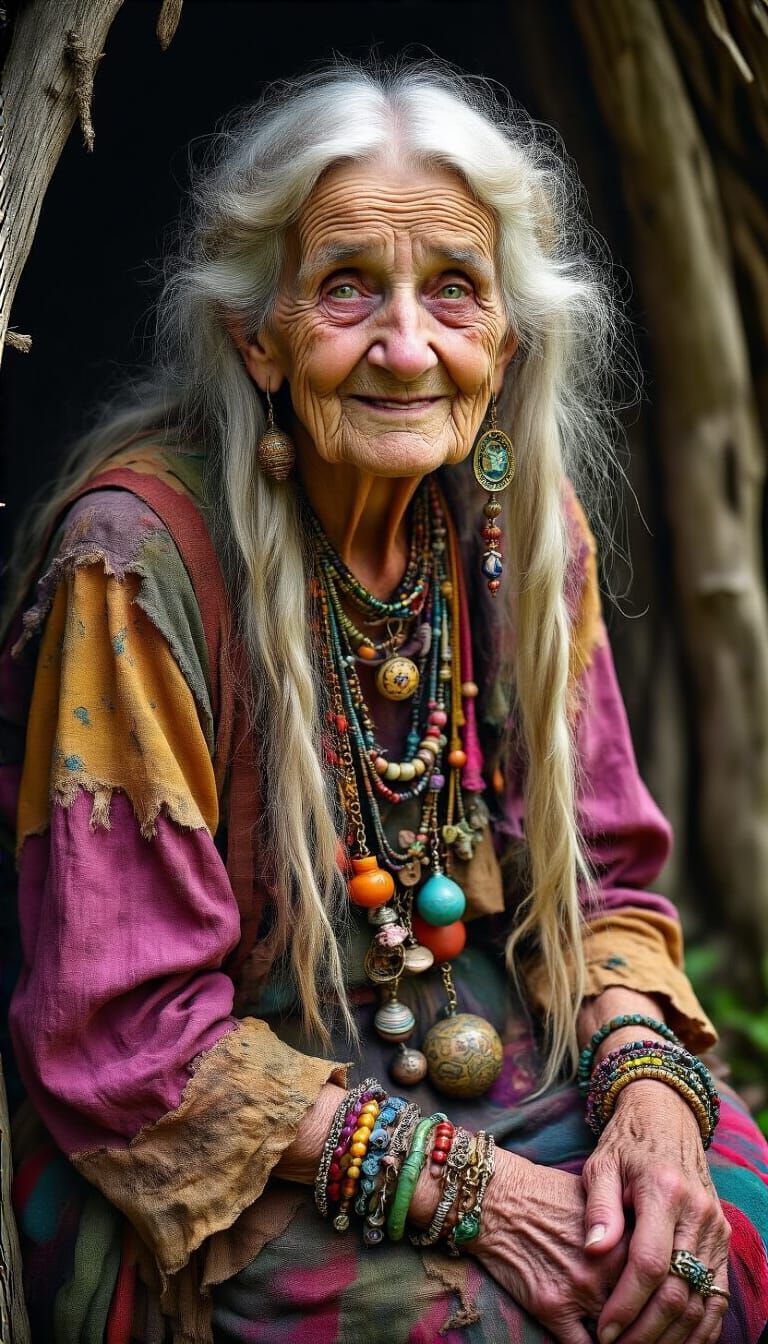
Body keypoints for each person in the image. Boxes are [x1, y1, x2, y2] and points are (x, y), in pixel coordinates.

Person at [2, 61, 767, 1344]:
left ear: (506, 343)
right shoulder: (135, 569)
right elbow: (129, 1038)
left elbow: (609, 892)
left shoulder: (523, 534)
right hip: (228, 1148)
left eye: (454, 292)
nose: (407, 346)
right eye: (347, 285)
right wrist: (491, 1199)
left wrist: (650, 1104)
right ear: (259, 337)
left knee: (715, 1244)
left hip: (510, 1062)